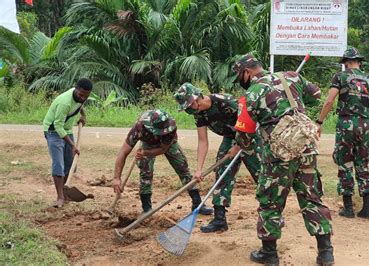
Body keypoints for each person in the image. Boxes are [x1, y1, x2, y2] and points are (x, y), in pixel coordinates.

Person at [233, 54, 334, 265]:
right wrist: (294, 103)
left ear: (247, 72)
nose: (241, 80)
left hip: (278, 155)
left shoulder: (251, 95)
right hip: (306, 147)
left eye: (240, 75)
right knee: (312, 198)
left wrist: (243, 146)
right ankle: (326, 252)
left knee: (270, 201)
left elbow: (244, 133)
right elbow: (316, 94)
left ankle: (269, 254)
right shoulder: (291, 76)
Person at [174, 83, 261, 233]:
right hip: (229, 138)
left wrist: (239, 145)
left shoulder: (225, 102)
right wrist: (199, 169)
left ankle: (272, 214)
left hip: (249, 136)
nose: (190, 109)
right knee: (222, 174)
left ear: (196, 98)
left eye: (190, 105)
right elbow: (202, 141)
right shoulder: (198, 113)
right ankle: (220, 219)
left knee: (261, 175)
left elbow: (251, 122)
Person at [316, 47, 369, 219]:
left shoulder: (340, 77)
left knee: (345, 162)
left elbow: (330, 100)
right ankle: (368, 208)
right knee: (362, 163)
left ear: (346, 63)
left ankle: (348, 208)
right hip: (365, 125)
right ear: (359, 62)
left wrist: (319, 122)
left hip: (346, 124)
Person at [112, 109, 212, 215]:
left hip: (168, 145)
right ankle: (147, 210)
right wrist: (117, 178)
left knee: (183, 169)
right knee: (146, 173)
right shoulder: (139, 128)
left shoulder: (170, 127)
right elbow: (123, 152)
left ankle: (197, 203)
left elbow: (163, 149)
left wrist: (145, 153)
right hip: (148, 143)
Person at [43, 78, 93, 208]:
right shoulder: (64, 102)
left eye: (86, 96)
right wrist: (72, 145)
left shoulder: (82, 97)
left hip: (66, 129)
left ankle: (65, 192)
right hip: (53, 131)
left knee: (70, 164)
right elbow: (57, 126)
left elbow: (79, 106)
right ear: (75, 89)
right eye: (81, 95)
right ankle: (60, 197)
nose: (82, 98)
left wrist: (83, 117)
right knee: (58, 164)